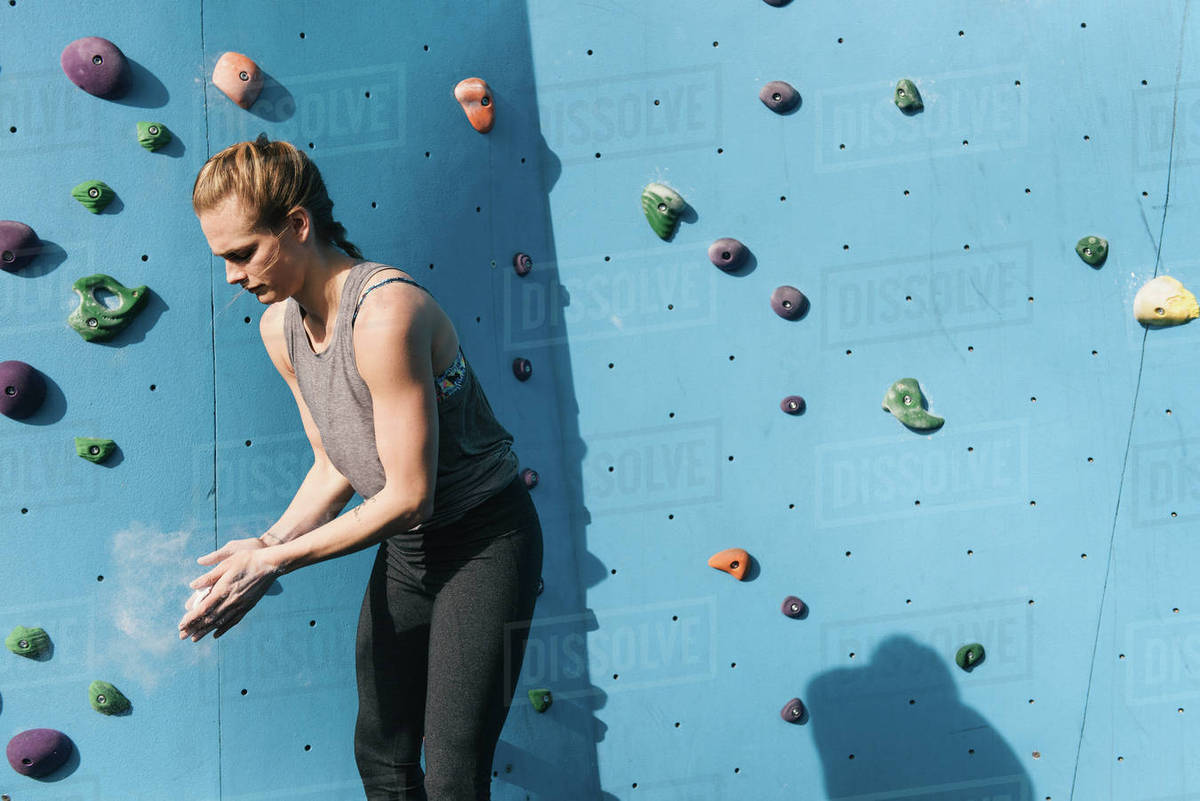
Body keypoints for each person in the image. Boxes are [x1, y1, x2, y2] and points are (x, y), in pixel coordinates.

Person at [178, 133, 544, 801]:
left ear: (296, 225)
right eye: (222, 259)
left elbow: (409, 495)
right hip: (410, 554)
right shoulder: (278, 329)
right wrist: (263, 546)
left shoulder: (385, 314)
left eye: (242, 253)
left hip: (486, 544)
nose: (231, 275)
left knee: (455, 772)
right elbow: (334, 464)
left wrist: (274, 562)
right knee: (382, 752)